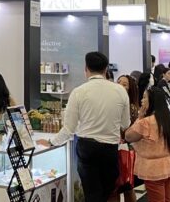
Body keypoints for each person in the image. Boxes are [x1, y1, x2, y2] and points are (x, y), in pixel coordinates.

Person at [38, 52, 131, 202]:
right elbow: (125, 124)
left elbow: (68, 128)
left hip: (87, 148)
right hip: (110, 150)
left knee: (91, 193)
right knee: (106, 193)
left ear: (86, 69)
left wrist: (51, 142)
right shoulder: (120, 91)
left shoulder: (78, 92)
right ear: (106, 69)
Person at [124, 87, 170, 202]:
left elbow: (128, 136)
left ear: (152, 101)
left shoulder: (146, 122)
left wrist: (139, 117)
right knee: (168, 199)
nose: (142, 100)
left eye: (144, 97)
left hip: (154, 170)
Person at [117, 75, 140, 202]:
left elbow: (128, 129)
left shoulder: (131, 107)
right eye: (118, 82)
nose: (120, 85)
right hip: (120, 147)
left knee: (126, 184)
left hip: (126, 148)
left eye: (124, 84)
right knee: (123, 185)